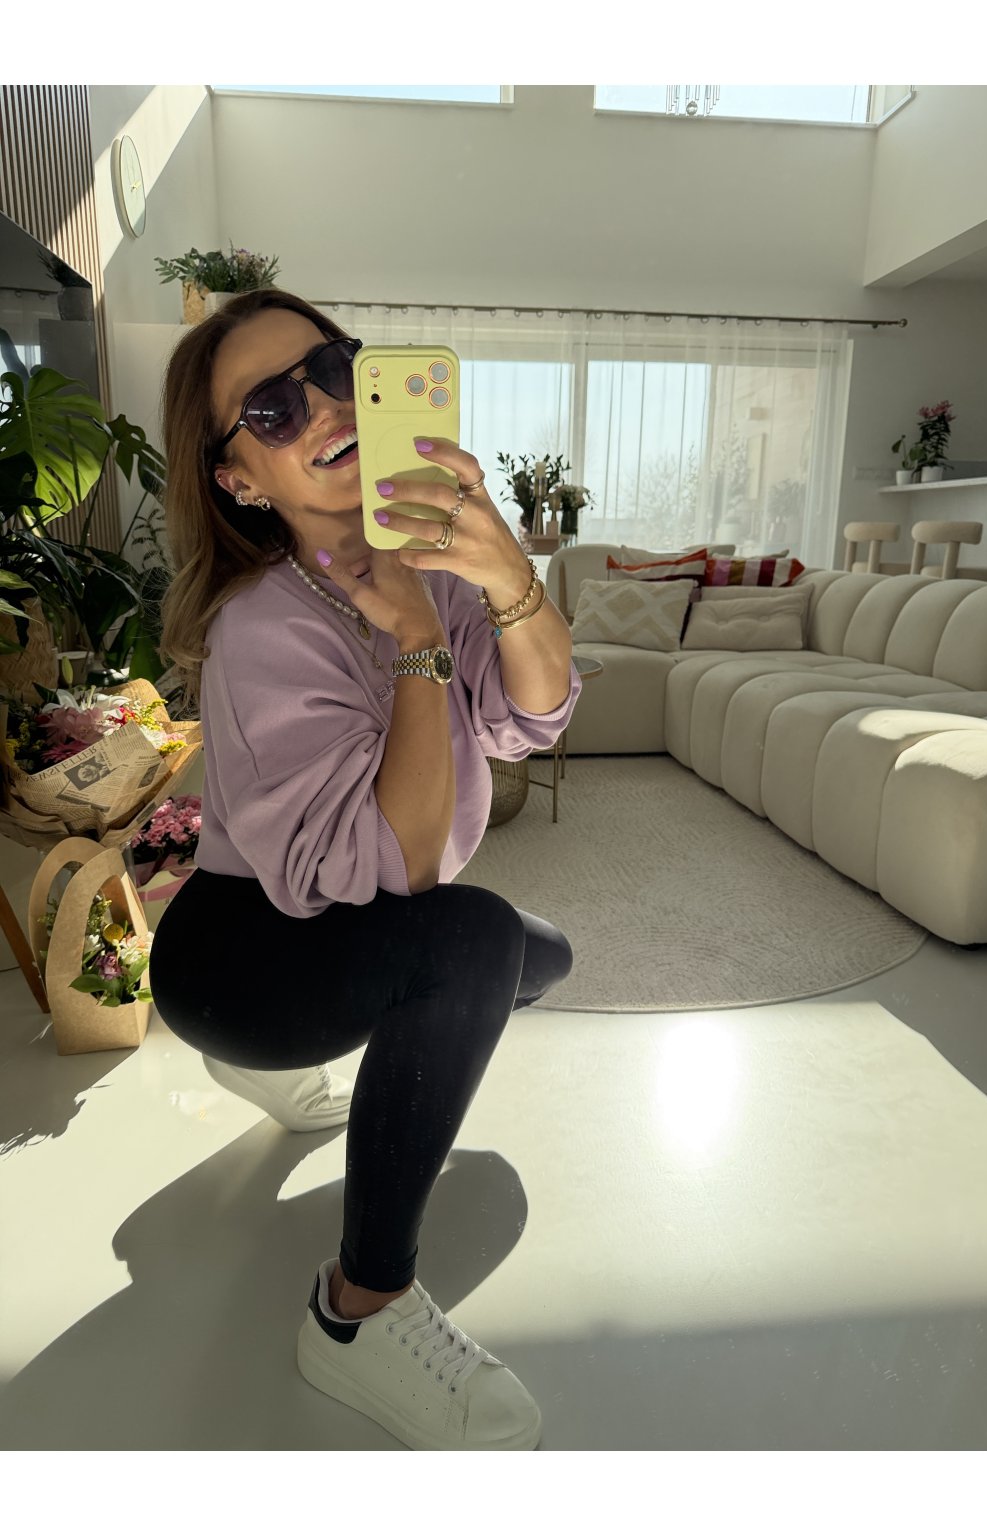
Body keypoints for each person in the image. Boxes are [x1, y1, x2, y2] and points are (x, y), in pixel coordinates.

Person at [148, 289, 582, 1453]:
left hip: (344, 912)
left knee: (539, 956)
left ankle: (322, 1068)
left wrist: (506, 574)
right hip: (236, 958)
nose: (326, 407)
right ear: (239, 478)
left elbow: (536, 716)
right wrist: (416, 646)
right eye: (273, 409)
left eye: (334, 369)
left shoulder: (429, 564)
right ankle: (358, 1310)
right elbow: (400, 870)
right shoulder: (260, 629)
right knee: (468, 942)